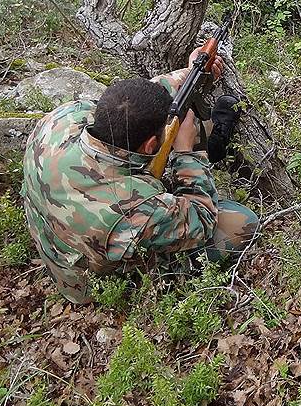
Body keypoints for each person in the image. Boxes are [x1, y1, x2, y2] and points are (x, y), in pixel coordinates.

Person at [20, 49, 259, 304]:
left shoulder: (65, 117)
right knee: (241, 223)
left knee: (183, 122)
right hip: (93, 282)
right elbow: (201, 221)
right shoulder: (132, 207)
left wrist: (191, 73)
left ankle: (206, 145)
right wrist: (185, 153)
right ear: (149, 145)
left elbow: (136, 104)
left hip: (64, 245)